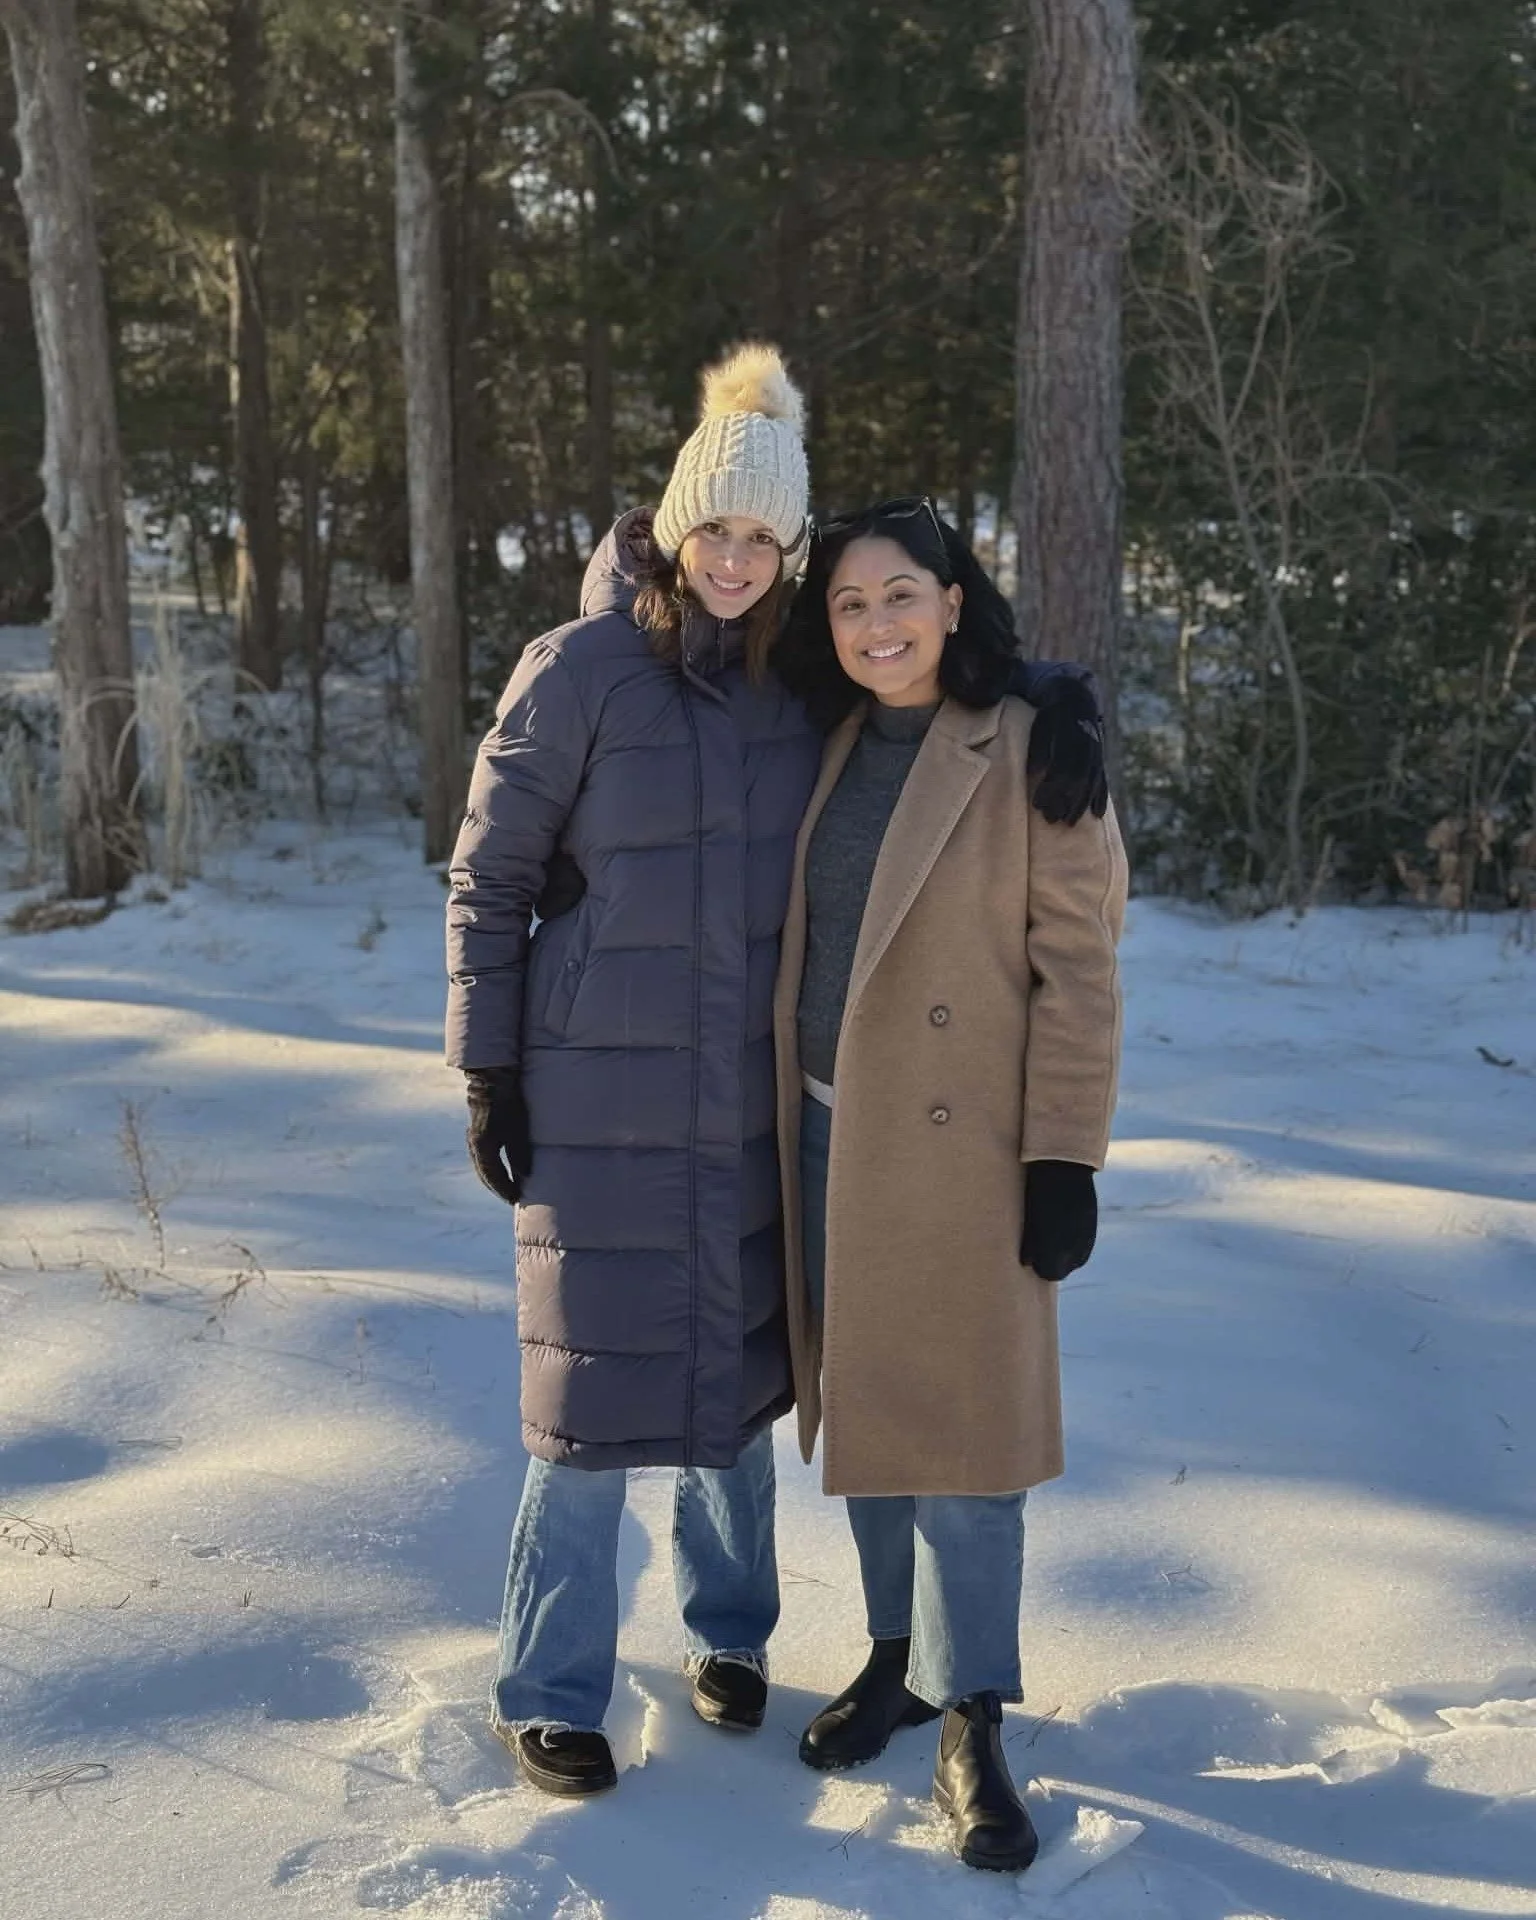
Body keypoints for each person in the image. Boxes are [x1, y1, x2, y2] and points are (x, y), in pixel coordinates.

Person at [446, 349, 1108, 1800]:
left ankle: (729, 1636)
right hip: (600, 1110)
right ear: (676, 524)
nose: (738, 559)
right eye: (717, 530)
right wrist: (486, 1068)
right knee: (583, 1410)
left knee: (737, 1400)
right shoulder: (580, 672)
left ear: (789, 555)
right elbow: (488, 877)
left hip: (756, 1118)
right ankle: (550, 1683)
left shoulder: (789, 691)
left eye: (766, 539)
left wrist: (1053, 693)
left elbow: (930, 698)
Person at [770, 497, 1127, 1872]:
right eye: (851, 604)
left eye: (901, 595)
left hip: (964, 1149)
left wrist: (1063, 1156)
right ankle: (896, 1660)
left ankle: (973, 1714)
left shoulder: (1036, 746)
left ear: (955, 600)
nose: (876, 625)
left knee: (968, 1442)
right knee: (865, 1409)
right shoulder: (831, 738)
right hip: (818, 1133)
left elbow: (1081, 970)